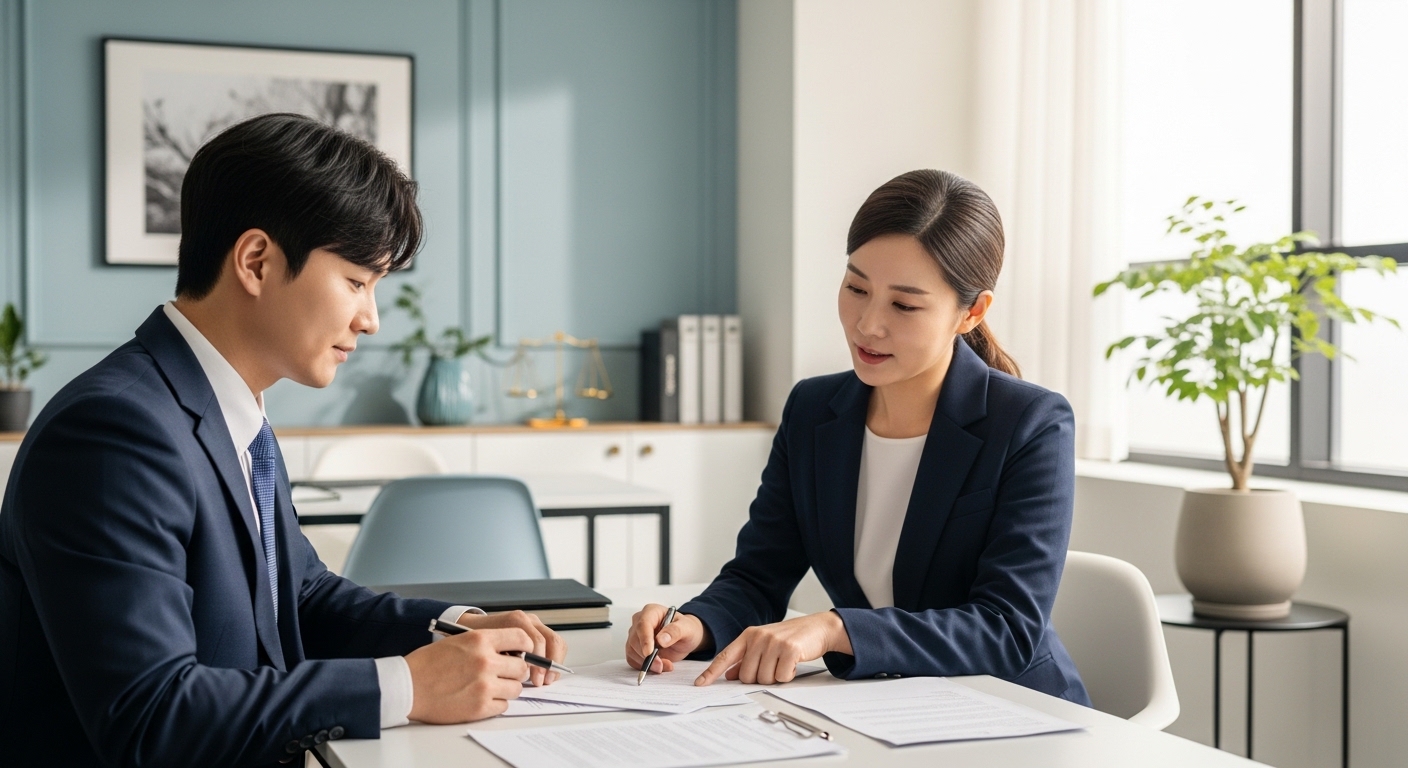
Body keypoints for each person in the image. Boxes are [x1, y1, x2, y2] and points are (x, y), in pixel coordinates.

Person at [0, 113, 566, 768]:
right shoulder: (112, 432)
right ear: (257, 261)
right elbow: (151, 713)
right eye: (356, 281)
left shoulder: (232, 414)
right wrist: (407, 686)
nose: (371, 318)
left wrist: (452, 627)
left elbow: (299, 595)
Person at [626, 169, 1090, 705]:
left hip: (1010, 713)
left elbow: (1005, 629)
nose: (868, 324)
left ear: (972, 312)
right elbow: (758, 576)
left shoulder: (1030, 423)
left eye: (904, 305)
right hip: (880, 708)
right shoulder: (814, 409)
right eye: (856, 288)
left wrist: (834, 629)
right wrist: (696, 626)